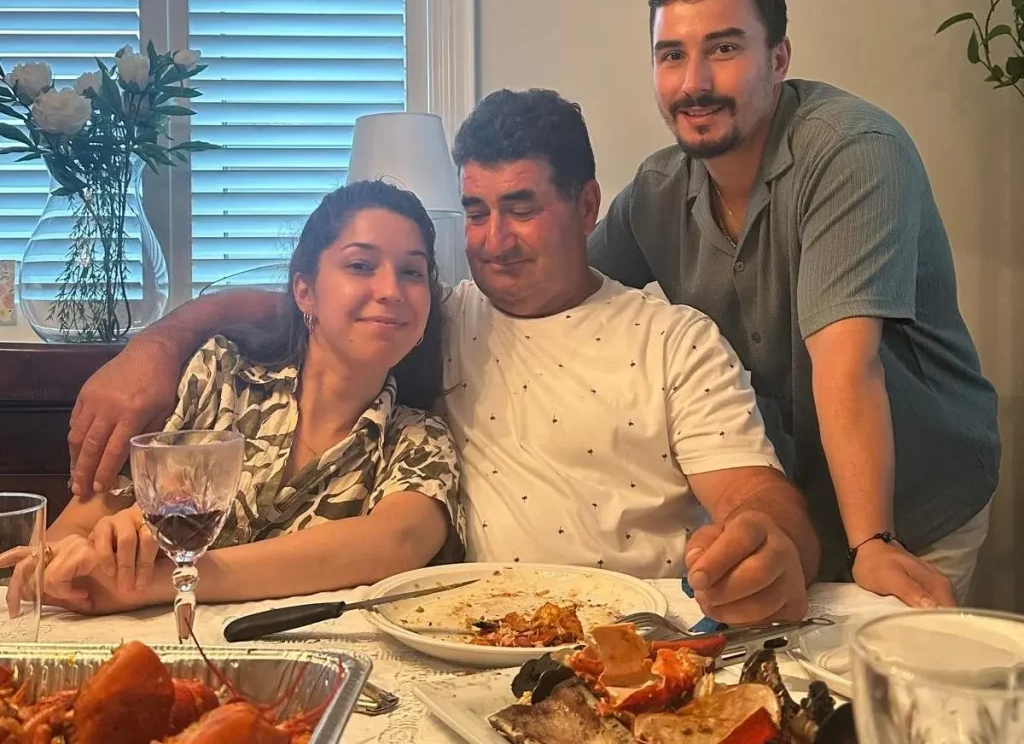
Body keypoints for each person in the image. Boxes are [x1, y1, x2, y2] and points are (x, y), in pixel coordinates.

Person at [66, 90, 820, 625]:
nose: (492, 240)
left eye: (522, 208)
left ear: (587, 206)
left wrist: (768, 546)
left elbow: (757, 497)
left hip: (642, 626)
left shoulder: (671, 338)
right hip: (478, 633)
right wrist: (158, 341)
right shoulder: (443, 313)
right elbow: (320, 306)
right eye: (476, 211)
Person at [587, 0, 1000, 607]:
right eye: (671, 55)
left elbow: (846, 362)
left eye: (723, 49)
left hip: (912, 513)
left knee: (889, 702)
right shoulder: (655, 193)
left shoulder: (851, 151)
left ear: (778, 58)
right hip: (791, 517)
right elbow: (575, 298)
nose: (693, 82)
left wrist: (872, 542)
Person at [3, 180, 464, 616]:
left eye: (412, 272)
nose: (390, 291)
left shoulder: (419, 437)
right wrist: (82, 555)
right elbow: (67, 536)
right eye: (360, 265)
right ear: (305, 291)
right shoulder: (220, 377)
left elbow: (394, 543)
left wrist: (167, 580)